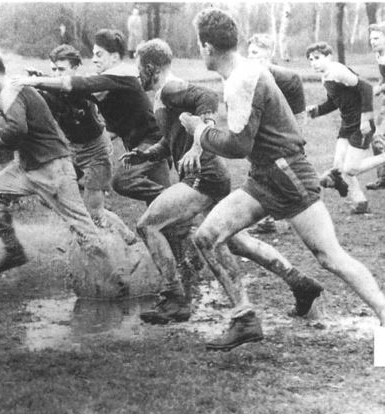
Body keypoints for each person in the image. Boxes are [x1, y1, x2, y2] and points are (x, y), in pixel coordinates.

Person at [180, 8, 385, 350]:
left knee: (329, 256)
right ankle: (244, 318)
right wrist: (295, 121)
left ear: (206, 47)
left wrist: (201, 132)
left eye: (200, 46)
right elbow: (289, 81)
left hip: (287, 174)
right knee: (207, 237)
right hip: (264, 175)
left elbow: (237, 144)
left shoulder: (242, 79)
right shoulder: (246, 70)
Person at [122, 39, 322, 325]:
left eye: (138, 66)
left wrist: (196, 147)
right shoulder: (163, 96)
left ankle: (174, 298)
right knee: (236, 243)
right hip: (209, 175)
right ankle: (300, 283)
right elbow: (170, 139)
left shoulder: (171, 88)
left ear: (150, 67)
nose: (136, 72)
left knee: (148, 225)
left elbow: (207, 98)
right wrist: (146, 154)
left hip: (204, 176)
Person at [0, 52, 127, 298]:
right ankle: (14, 251)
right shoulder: (8, 94)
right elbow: (10, 122)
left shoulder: (11, 91)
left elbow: (17, 128)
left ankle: (119, 282)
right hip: (27, 167)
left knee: (84, 230)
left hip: (54, 168)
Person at [12, 29, 171, 206]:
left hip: (152, 143)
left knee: (124, 183)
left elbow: (75, 84)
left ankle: (177, 197)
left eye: (99, 54)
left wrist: (33, 81)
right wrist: (42, 77)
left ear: (114, 56)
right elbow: (79, 88)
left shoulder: (120, 75)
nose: (94, 59)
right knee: (160, 213)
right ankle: (174, 204)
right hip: (140, 145)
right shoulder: (110, 79)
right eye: (94, 54)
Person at [37, 44, 136, 244]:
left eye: (61, 70)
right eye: (53, 69)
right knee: (46, 195)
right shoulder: (53, 88)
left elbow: (66, 98)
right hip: (73, 150)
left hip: (96, 151)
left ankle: (129, 240)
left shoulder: (82, 89)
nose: (56, 74)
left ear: (74, 69)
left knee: (95, 213)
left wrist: (40, 84)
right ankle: (78, 223)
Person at [306, 41, 385, 214]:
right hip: (347, 124)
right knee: (338, 166)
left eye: (317, 58)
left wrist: (366, 119)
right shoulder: (325, 76)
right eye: (310, 59)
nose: (313, 62)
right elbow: (335, 102)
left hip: (361, 123)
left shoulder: (337, 71)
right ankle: (360, 202)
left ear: (329, 56)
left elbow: (365, 88)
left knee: (350, 168)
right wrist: (317, 110)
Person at [247, 33, 307, 234]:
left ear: (268, 54)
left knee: (288, 179)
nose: (251, 57)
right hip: (262, 137)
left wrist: (298, 143)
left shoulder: (288, 79)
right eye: (249, 53)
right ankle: (267, 220)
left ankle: (296, 219)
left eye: (256, 52)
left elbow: (299, 114)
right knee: (261, 175)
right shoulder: (248, 79)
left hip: (285, 138)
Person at [366, 22, 385, 190]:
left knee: (379, 138)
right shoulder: (379, 55)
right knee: (377, 138)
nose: (373, 41)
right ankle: (383, 178)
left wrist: (378, 89)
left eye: (377, 38)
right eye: (371, 38)